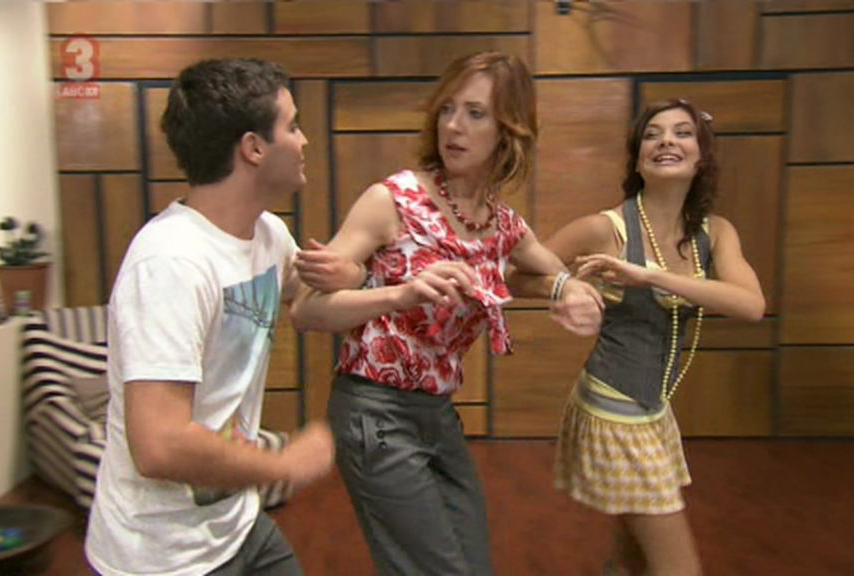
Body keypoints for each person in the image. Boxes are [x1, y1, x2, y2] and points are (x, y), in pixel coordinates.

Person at [289, 50, 604, 576]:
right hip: (375, 411)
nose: (453, 126)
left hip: (437, 415)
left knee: (473, 564)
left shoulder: (503, 226)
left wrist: (568, 290)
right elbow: (306, 311)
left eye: (476, 114)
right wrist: (400, 294)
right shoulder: (393, 200)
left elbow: (545, 272)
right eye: (448, 109)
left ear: (509, 132)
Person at [84, 58, 359, 576]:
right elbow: (160, 445)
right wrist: (283, 464)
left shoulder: (268, 235)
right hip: (162, 558)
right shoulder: (170, 263)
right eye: (293, 126)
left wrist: (362, 278)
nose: (304, 140)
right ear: (254, 148)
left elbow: (310, 305)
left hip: (237, 524)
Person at [541, 99, 766, 575]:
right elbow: (514, 271)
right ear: (638, 160)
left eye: (682, 133)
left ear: (701, 157)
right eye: (652, 134)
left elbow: (751, 305)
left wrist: (651, 277)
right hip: (613, 408)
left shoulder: (715, 233)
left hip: (655, 410)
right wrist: (566, 290)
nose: (666, 141)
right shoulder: (604, 228)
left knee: (633, 557)